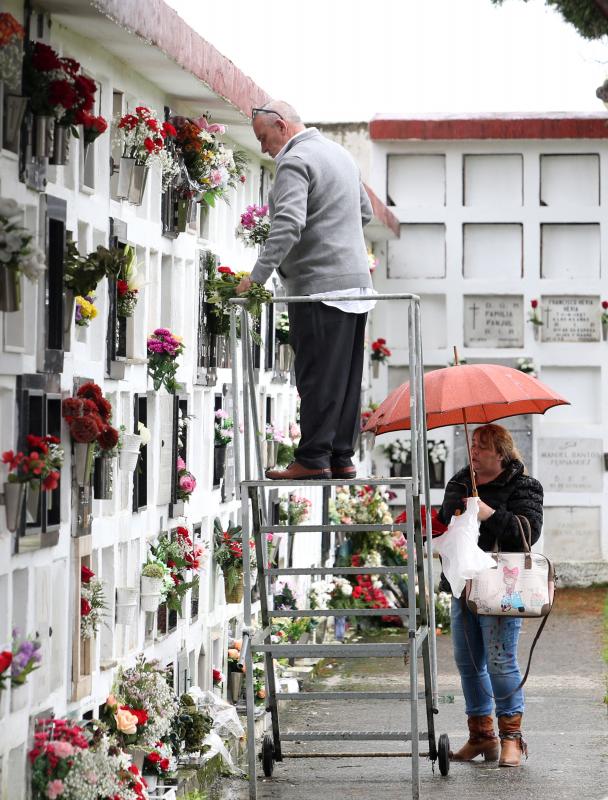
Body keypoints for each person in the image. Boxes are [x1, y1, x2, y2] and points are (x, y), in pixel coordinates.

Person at [236, 101, 374, 481]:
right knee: (345, 377)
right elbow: (364, 213)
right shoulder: (340, 154)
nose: (265, 148)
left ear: (281, 125)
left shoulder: (295, 161)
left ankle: (313, 458)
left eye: (264, 138)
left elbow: (289, 224)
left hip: (319, 286)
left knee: (315, 376)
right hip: (357, 286)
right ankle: (342, 455)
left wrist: (257, 278)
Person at [437, 423, 543, 768]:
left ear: (500, 451)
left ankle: (511, 738)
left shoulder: (524, 485)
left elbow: (528, 532)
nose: (474, 452)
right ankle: (482, 736)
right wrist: (455, 510)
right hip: (464, 584)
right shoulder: (460, 480)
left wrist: (488, 513)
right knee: (467, 662)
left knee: (500, 661)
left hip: (503, 587)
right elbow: (444, 520)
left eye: (481, 446)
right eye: (472, 444)